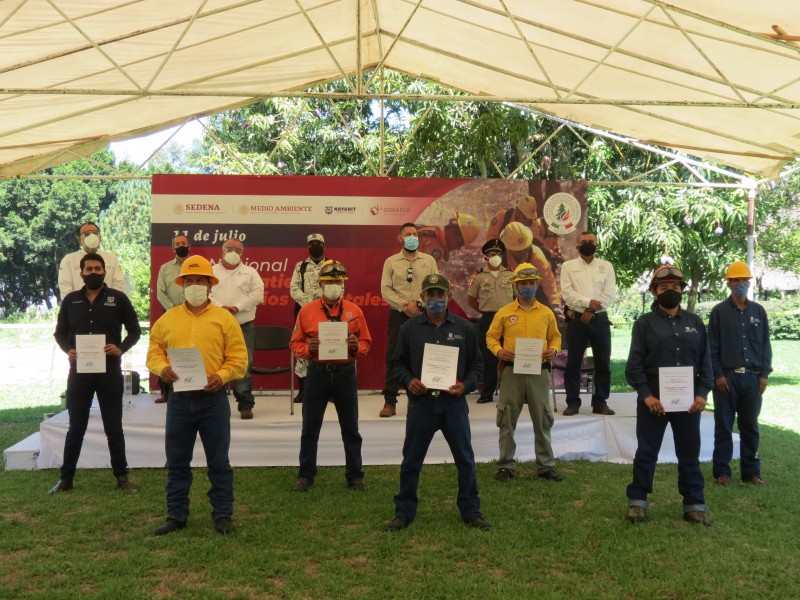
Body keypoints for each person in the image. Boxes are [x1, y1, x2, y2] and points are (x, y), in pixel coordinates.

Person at [146, 255, 248, 536]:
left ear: (209, 284)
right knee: (177, 461)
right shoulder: (168, 319)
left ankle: (223, 514)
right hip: (179, 401)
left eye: (199, 280)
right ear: (182, 285)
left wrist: (223, 376)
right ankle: (176, 515)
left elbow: (239, 358)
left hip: (212, 400)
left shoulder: (224, 319)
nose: (194, 285)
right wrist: (162, 368)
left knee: (219, 462)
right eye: (189, 281)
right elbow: (154, 351)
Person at [386, 274, 489, 531]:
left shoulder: (464, 328)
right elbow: (397, 364)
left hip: (453, 405)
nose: (435, 300)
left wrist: (465, 386)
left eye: (440, 294)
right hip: (422, 405)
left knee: (465, 459)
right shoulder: (408, 329)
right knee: (411, 461)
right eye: (430, 295)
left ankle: (471, 511)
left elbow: (477, 366)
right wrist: (409, 381)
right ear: (422, 298)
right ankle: (404, 512)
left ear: (449, 296)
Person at [625, 265, 713, 526]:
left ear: (682, 291)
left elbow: (705, 362)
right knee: (647, 452)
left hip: (689, 404)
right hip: (654, 401)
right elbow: (634, 365)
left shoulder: (695, 323)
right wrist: (646, 396)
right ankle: (638, 502)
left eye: (675, 288)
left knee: (689, 454)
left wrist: (702, 394)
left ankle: (694, 504)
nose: (670, 291)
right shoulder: (644, 324)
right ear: (654, 292)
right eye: (664, 288)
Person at [49, 253, 141, 494]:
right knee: (75, 427)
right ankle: (65, 479)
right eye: (88, 269)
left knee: (114, 427)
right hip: (79, 373)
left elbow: (134, 331)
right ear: (81, 273)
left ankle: (122, 478)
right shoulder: (70, 301)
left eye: (97, 268)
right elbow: (59, 333)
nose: (93, 272)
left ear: (104, 271)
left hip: (109, 372)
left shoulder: (118, 299)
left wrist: (120, 348)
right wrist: (68, 349)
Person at [289, 260, 372, 492]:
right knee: (310, 428)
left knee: (351, 428)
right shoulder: (307, 311)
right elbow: (294, 343)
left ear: (343, 284)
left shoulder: (355, 311)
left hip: (345, 374)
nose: (333, 285)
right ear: (321, 284)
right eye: (328, 281)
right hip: (317, 374)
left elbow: (366, 342)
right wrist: (309, 349)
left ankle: (354, 476)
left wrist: (357, 346)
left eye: (337, 281)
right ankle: (306, 476)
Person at [486, 263, 563, 482]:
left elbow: (555, 337)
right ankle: (506, 466)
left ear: (537, 284)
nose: (528, 287)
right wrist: (499, 351)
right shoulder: (504, 312)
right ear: (516, 286)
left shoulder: (546, 313)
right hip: (512, 372)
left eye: (531, 283)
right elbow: (491, 336)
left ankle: (546, 466)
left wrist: (554, 350)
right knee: (507, 419)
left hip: (539, 371)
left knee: (543, 419)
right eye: (523, 284)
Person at [708, 261, 772, 486]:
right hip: (727, 378)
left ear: (749, 282)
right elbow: (711, 347)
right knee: (723, 426)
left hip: (753, 379)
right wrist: (718, 375)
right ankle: (722, 472)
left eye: (744, 280)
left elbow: (765, 345)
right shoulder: (719, 312)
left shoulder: (758, 312)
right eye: (735, 280)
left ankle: (751, 472)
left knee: (750, 426)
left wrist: (764, 374)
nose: (740, 284)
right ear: (728, 283)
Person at [378, 222, 438, 418]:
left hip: (424, 315)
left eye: (415, 234)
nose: (413, 237)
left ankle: (425, 398)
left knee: (425, 355)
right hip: (398, 314)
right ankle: (390, 402)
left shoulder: (428, 261)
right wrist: (405, 305)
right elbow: (385, 290)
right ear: (400, 238)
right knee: (394, 355)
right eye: (408, 234)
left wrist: (420, 306)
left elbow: (435, 288)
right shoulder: (391, 262)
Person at [559, 231, 616, 416]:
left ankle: (600, 402)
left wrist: (591, 310)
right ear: (577, 246)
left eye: (591, 241)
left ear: (596, 245)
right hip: (577, 320)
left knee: (603, 363)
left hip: (599, 320)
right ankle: (573, 403)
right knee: (573, 363)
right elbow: (567, 294)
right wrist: (587, 304)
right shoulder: (568, 266)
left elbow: (609, 294)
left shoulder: (606, 266)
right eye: (583, 241)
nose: (587, 244)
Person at [210, 238, 264, 420]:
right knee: (215, 362)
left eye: (238, 250)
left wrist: (237, 307)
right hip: (217, 324)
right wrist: (221, 307)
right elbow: (205, 293)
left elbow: (258, 294)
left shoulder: (250, 272)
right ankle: (214, 402)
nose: (233, 253)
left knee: (244, 364)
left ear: (242, 253)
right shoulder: (211, 271)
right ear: (221, 252)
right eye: (229, 249)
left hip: (244, 325)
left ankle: (245, 404)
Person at [467, 238, 514, 404]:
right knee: (489, 357)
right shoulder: (478, 277)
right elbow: (471, 300)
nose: (495, 255)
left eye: (498, 253)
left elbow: (517, 297)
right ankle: (487, 392)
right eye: (492, 253)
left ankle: (513, 392)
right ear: (486, 256)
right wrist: (486, 310)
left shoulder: (510, 275)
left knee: (511, 354)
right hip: (489, 319)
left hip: (510, 319)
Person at [289, 233, 328, 404]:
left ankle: (329, 390)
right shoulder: (301, 266)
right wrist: (310, 304)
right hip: (304, 313)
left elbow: (340, 288)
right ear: (307, 247)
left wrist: (323, 304)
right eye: (311, 244)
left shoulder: (332, 266)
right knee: (303, 349)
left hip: (329, 313)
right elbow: (294, 288)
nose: (315, 246)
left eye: (318, 243)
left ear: (324, 245)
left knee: (329, 346)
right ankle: (303, 390)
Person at [154, 234, 191, 404]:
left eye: (184, 243)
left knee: (191, 349)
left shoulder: (196, 265)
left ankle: (190, 386)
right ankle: (166, 392)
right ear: (173, 248)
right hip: (170, 315)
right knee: (167, 352)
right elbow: (160, 292)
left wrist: (189, 310)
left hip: (194, 315)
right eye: (178, 244)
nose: (181, 245)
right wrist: (175, 311)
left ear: (189, 246)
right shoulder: (165, 268)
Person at [58, 221, 126, 299]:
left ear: (99, 238)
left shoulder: (111, 258)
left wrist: (113, 303)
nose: (92, 236)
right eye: (87, 234)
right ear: (80, 240)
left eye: (95, 233)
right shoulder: (69, 260)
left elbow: (119, 284)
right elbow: (65, 288)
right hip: (80, 307)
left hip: (108, 306)